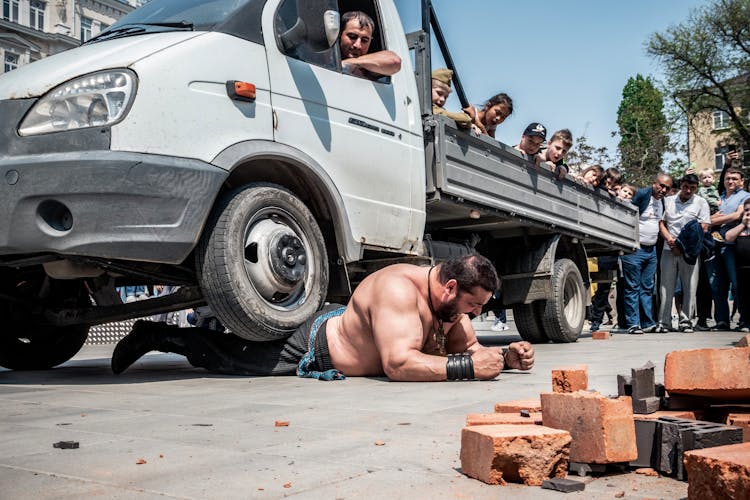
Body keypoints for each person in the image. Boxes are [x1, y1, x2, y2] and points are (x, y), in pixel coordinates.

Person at [111, 254, 535, 381]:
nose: (476, 315)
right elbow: (398, 364)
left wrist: (507, 359)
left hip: (347, 326)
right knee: (224, 357)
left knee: (228, 352)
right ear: (450, 288)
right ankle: (154, 334)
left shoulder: (446, 301)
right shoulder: (397, 290)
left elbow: (472, 349)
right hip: (314, 345)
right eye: (473, 307)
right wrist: (467, 369)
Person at [656, 174, 711, 333]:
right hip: (669, 248)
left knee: (690, 287)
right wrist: (670, 240)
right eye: (686, 186)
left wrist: (681, 244)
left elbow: (704, 227)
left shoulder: (701, 203)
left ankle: (686, 321)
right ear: (681, 185)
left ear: (696, 188)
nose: (688, 190)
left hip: (690, 251)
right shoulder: (668, 201)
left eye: (692, 188)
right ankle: (664, 322)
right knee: (666, 287)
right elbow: (661, 223)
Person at [620, 173, 673, 334]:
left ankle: (647, 322)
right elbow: (627, 213)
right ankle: (633, 324)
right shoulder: (643, 194)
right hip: (635, 249)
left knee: (647, 288)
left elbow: (658, 222)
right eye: (661, 186)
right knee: (632, 287)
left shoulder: (661, 201)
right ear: (654, 183)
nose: (663, 190)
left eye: (667, 188)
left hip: (651, 250)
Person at [705, 166, 750, 331]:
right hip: (714, 245)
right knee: (716, 284)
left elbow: (737, 216)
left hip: (733, 246)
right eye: (728, 179)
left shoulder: (745, 196)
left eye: (735, 179)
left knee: (738, 285)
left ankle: (744, 320)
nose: (731, 181)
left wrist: (708, 220)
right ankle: (722, 321)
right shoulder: (719, 197)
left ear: (741, 181)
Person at [339, 11, 401, 79]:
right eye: (352, 36)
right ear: (339, 34)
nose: (357, 45)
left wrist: (348, 63)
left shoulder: (369, 67)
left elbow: (394, 61)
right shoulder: (326, 58)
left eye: (364, 40)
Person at [724, 198, 750, 332]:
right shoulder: (739, 227)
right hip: (742, 268)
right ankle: (744, 321)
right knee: (743, 295)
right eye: (746, 210)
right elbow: (728, 237)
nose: (748, 213)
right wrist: (743, 224)